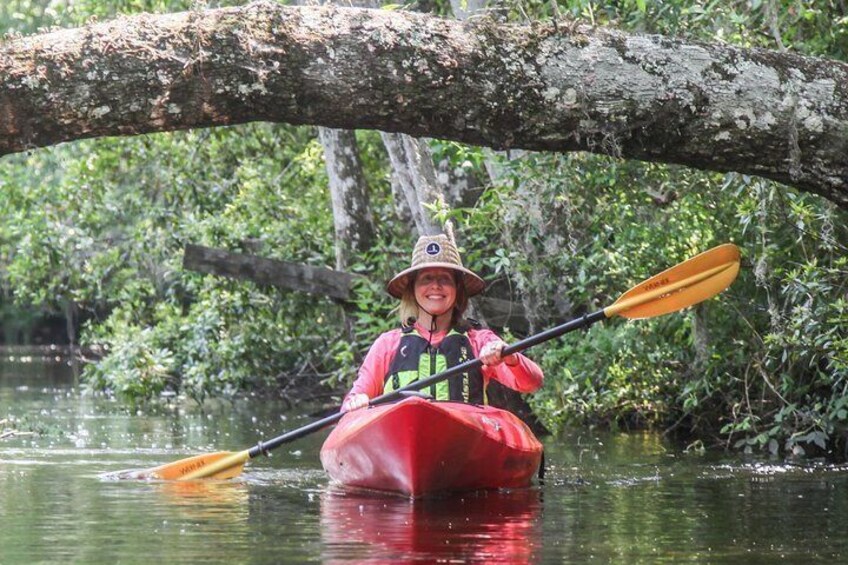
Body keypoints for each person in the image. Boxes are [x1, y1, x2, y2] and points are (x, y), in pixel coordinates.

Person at [342, 233, 544, 412]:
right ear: (413, 289)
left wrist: (509, 356)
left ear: (457, 290)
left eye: (445, 279)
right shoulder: (388, 344)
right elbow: (353, 400)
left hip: (462, 439)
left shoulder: (479, 341)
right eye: (426, 278)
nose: (436, 286)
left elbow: (532, 382)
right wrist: (356, 402)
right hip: (401, 440)